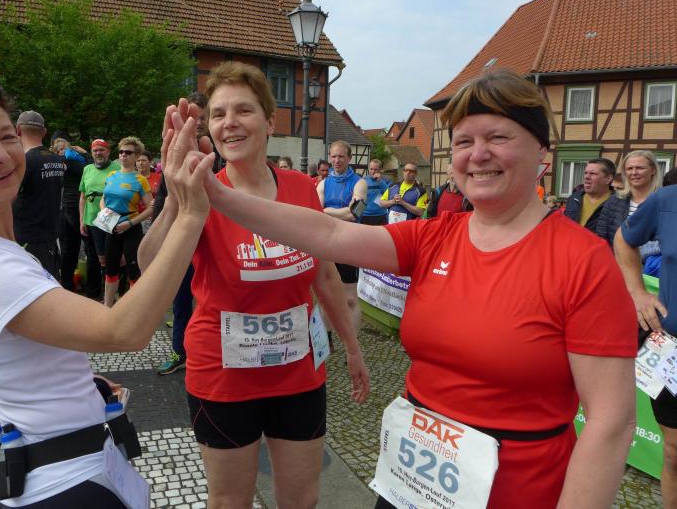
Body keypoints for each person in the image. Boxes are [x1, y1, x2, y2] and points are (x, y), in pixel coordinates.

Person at [193, 68, 637, 508]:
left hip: (518, 489)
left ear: (542, 151)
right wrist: (217, 193)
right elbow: (329, 235)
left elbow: (610, 422)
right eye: (464, 141)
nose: (478, 154)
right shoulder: (436, 236)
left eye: (498, 137)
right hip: (413, 483)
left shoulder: (583, 261)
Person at [0, 66, 212, 507]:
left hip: (45, 466)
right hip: (63, 485)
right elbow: (125, 331)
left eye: (6, 136)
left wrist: (71, 377)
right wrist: (192, 213)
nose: (0, 154)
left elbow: (11, 351)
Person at [140, 62, 369, 508]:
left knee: (302, 499)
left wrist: (352, 347)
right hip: (223, 375)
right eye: (219, 114)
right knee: (230, 501)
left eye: (243, 110)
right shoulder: (203, 193)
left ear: (269, 122)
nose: (229, 122)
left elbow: (324, 274)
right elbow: (150, 267)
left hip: (298, 371)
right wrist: (175, 197)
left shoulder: (302, 189)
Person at [615, 183, 677, 507]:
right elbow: (624, 240)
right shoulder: (668, 200)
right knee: (674, 452)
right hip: (672, 351)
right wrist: (638, 292)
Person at [155, 91, 209, 376]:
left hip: (211, 236)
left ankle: (207, 351)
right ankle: (179, 351)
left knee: (211, 296)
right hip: (181, 233)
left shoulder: (216, 151)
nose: (197, 122)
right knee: (180, 296)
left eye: (202, 117)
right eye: (193, 117)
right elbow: (164, 196)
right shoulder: (173, 149)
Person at [317, 141, 366, 332]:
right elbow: (316, 212)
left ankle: (351, 344)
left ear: (349, 158)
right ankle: (327, 340)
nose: (337, 160)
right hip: (327, 244)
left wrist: (326, 211)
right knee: (326, 296)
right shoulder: (323, 184)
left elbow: (354, 213)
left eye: (341, 156)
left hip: (349, 244)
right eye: (334, 156)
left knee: (350, 299)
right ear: (329, 157)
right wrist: (340, 211)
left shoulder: (360, 183)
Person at [99, 137, 152, 307]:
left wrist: (130, 223)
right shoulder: (112, 175)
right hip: (111, 227)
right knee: (110, 270)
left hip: (130, 228)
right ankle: (107, 307)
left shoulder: (140, 180)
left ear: (136, 156)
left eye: (128, 152)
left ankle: (133, 310)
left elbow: (151, 208)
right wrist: (104, 213)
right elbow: (103, 199)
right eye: (121, 151)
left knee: (133, 272)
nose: (123, 155)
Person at [13, 110, 66, 279]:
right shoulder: (57, 160)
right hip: (51, 234)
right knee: (49, 281)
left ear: (18, 130)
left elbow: (8, 197)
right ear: (44, 132)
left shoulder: (24, 161)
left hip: (27, 236)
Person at [79, 139, 120, 300]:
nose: (98, 153)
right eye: (95, 150)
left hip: (111, 218)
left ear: (108, 152)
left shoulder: (117, 168)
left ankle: (113, 293)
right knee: (93, 257)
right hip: (91, 218)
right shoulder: (87, 169)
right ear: (92, 153)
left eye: (101, 150)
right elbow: (82, 197)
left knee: (112, 257)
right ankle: (93, 293)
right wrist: (82, 220)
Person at [596, 150, 661, 250]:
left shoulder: (665, 201)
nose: (634, 172)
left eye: (640, 168)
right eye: (629, 168)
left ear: (653, 170)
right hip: (616, 259)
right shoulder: (614, 201)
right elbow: (601, 237)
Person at [51, 134, 88, 292]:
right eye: (59, 150)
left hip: (73, 208)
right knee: (70, 248)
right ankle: (67, 283)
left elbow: (86, 170)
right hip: (67, 209)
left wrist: (84, 155)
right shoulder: (66, 162)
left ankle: (68, 282)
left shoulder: (71, 162)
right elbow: (86, 169)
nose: (62, 152)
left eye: (64, 149)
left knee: (72, 248)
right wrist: (85, 155)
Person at [564, 157, 615, 234]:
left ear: (608, 179)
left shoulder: (618, 203)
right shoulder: (574, 198)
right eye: (585, 173)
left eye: (593, 173)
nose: (587, 177)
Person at [360, 158, 389, 225]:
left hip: (381, 215)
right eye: (371, 169)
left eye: (375, 169)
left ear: (380, 169)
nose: (373, 172)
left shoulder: (386, 180)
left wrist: (380, 181)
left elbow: (389, 194)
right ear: (368, 168)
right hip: (365, 215)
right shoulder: (363, 181)